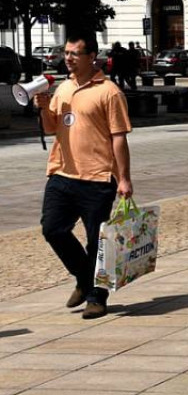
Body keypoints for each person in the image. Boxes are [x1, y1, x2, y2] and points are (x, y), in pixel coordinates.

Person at [34, 32, 133, 319]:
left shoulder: (109, 91)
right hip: (62, 174)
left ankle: (96, 297)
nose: (68, 58)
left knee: (96, 241)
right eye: (66, 53)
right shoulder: (63, 88)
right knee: (52, 229)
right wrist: (43, 108)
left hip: (98, 178)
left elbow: (119, 138)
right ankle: (82, 276)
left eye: (74, 54)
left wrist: (124, 178)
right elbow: (52, 128)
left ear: (92, 57)